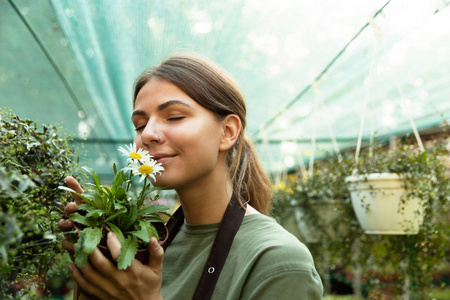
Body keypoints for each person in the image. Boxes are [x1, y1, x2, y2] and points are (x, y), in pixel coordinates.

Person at [59, 53, 323, 299]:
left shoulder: (279, 261)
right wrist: (95, 257)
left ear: (228, 132)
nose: (148, 134)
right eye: (140, 124)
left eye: (174, 117)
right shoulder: (146, 244)